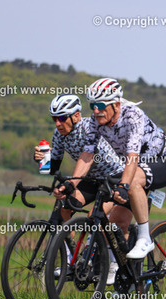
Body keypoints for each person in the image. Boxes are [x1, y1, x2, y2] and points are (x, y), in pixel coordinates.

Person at [34, 94, 132, 284]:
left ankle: (112, 261)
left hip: (114, 177)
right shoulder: (58, 134)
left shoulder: (89, 128)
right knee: (65, 208)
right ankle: (71, 260)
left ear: (76, 116)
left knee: (94, 217)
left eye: (62, 118)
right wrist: (40, 158)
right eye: (54, 119)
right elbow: (54, 167)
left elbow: (87, 158)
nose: (58, 123)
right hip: (90, 179)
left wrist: (70, 183)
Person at [86, 78, 166, 259]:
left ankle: (145, 239)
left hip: (165, 161)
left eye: (100, 105)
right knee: (116, 223)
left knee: (132, 181)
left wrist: (123, 185)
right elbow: (87, 154)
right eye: (92, 106)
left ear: (116, 104)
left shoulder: (132, 115)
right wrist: (72, 183)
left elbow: (132, 157)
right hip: (138, 166)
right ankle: (117, 269)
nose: (96, 110)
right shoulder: (95, 120)